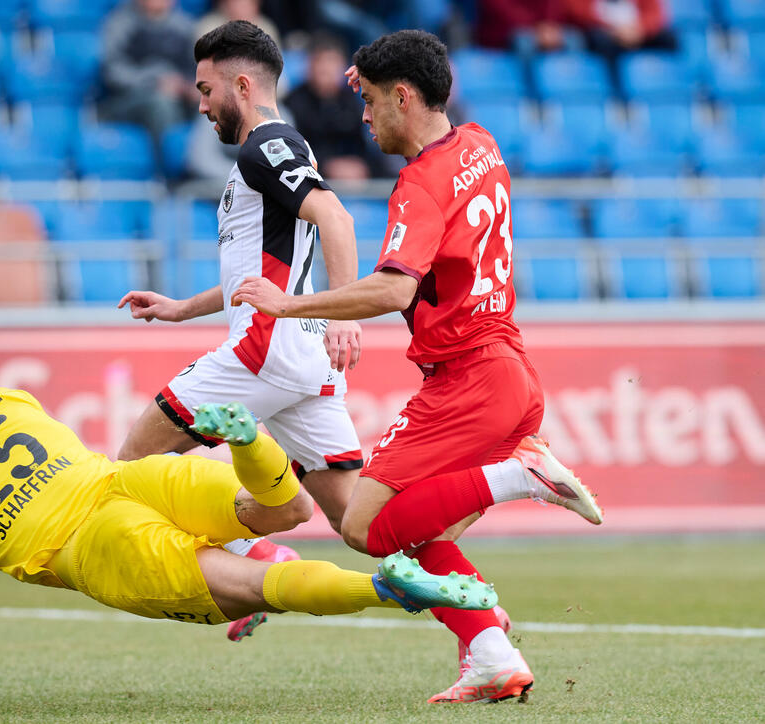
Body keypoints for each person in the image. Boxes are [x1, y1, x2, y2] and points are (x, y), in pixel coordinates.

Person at [231, 30, 604, 703]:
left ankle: (521, 474)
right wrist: (379, 71)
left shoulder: (421, 186)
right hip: (510, 371)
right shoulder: (481, 145)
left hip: (470, 380)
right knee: (419, 530)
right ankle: (491, 651)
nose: (363, 116)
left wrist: (291, 307)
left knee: (366, 528)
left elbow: (395, 289)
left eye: (372, 101)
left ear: (404, 96)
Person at [0, 351, 499, 645]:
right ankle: (247, 443)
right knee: (286, 512)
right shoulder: (11, 403)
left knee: (244, 587)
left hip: (93, 548)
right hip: (131, 479)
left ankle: (382, 586)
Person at [117, 20, 363, 641]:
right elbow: (253, 275)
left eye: (205, 90)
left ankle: (252, 567)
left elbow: (335, 216)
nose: (199, 105)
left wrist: (343, 314)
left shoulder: (266, 146)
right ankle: (505, 490)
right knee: (364, 522)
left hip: (265, 351)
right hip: (300, 356)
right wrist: (180, 309)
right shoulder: (269, 153)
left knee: (129, 468)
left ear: (242, 83)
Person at [99, 0, 200, 149]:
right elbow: (112, 73)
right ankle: (169, 167)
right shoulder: (120, 23)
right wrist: (155, 81)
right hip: (127, 100)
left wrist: (187, 86)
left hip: (178, 96)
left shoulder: (185, 26)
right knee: (162, 103)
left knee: (211, 101)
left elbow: (194, 70)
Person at [284, 33, 383, 181]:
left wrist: (363, 166)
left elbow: (367, 146)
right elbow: (292, 154)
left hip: (356, 179)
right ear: (309, 66)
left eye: (332, 62)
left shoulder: (354, 99)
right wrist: (327, 166)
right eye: (320, 62)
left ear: (343, 66)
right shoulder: (293, 103)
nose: (326, 70)